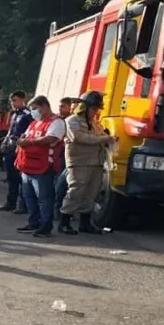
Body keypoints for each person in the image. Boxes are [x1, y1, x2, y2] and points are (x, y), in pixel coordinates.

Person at [58, 91, 114, 235]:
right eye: (94, 109)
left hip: (96, 163)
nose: (95, 112)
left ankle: (85, 223)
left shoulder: (95, 124)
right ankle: (64, 222)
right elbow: (79, 138)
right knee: (76, 191)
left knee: (91, 193)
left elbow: (102, 136)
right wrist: (104, 139)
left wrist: (110, 139)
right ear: (84, 107)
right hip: (79, 162)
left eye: (97, 109)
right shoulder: (72, 121)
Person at [15, 96, 65, 237]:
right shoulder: (35, 123)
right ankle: (33, 223)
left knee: (44, 198)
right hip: (27, 166)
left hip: (43, 168)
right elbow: (24, 137)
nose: (33, 112)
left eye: (35, 108)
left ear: (44, 106)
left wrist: (29, 142)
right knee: (29, 197)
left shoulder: (56, 122)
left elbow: (51, 139)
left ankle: (45, 226)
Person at [0, 91, 33, 213]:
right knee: (11, 176)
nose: (12, 103)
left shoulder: (27, 115)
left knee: (21, 178)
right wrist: (5, 141)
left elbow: (30, 132)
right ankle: (10, 202)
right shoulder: (15, 114)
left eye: (14, 100)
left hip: (21, 149)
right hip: (11, 148)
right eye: (11, 101)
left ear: (22, 100)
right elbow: (11, 130)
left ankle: (23, 205)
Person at [54, 97, 75, 214]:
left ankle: (59, 210)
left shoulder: (72, 121)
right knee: (57, 182)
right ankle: (56, 209)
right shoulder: (58, 120)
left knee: (62, 184)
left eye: (63, 106)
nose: (60, 109)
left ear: (69, 107)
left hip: (67, 156)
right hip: (58, 155)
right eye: (59, 106)